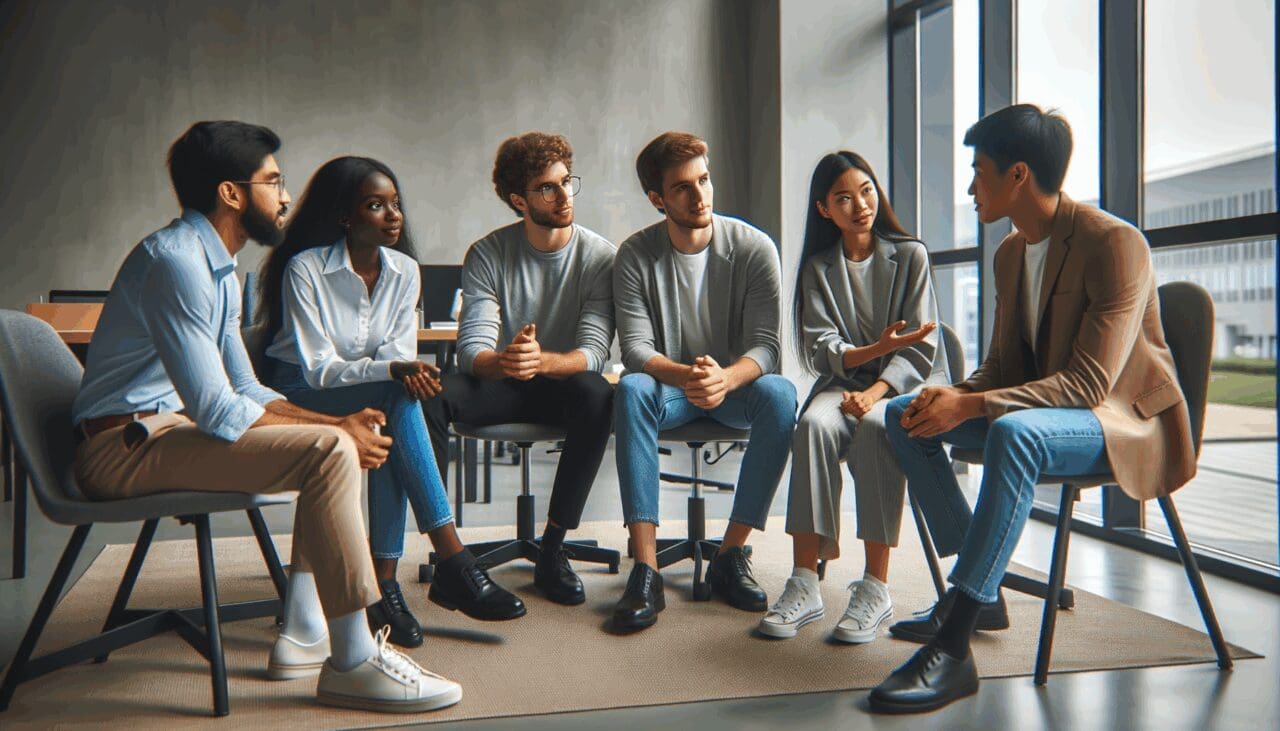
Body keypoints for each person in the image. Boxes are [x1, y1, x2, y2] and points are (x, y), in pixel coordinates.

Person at [71, 121, 461, 713]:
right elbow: (217, 407)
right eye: (273, 182)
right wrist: (333, 431)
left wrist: (339, 424)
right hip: (122, 449)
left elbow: (248, 387)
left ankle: (304, 631)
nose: (285, 196)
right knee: (328, 452)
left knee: (330, 445)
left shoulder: (220, 268)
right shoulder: (176, 261)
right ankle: (353, 659)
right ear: (232, 194)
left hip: (164, 430)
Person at [869, 104, 1196, 713]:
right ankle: (982, 590)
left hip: (1119, 420)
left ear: (1017, 175)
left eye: (978, 171)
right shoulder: (1010, 254)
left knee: (1013, 435)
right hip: (1045, 410)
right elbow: (1004, 366)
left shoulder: (1115, 244)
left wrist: (972, 407)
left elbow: (1090, 384)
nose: (970, 188)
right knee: (903, 414)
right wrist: (954, 395)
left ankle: (954, 642)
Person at [256, 156, 526, 648]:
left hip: (374, 388)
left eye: (395, 204)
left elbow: (396, 354)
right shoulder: (305, 269)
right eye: (376, 206)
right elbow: (319, 368)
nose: (394, 216)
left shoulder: (403, 270)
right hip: (297, 388)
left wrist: (404, 371)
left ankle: (385, 585)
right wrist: (396, 371)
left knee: (396, 403)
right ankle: (450, 559)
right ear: (345, 217)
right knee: (394, 392)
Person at [757, 151, 948, 643]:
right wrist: (876, 349)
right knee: (813, 425)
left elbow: (923, 347)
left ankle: (876, 586)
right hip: (841, 384)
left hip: (900, 386)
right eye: (843, 197)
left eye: (865, 190)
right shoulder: (817, 268)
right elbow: (822, 349)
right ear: (825, 210)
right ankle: (804, 582)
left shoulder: (910, 255)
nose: (860, 204)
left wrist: (880, 386)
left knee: (877, 428)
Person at [610, 131, 797, 632]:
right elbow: (635, 351)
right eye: (683, 188)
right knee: (629, 389)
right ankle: (645, 568)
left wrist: (725, 378)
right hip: (671, 390)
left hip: (734, 391)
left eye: (705, 180)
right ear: (657, 199)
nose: (700, 197)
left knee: (781, 394)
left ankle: (731, 554)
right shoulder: (634, 255)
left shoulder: (755, 248)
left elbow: (767, 347)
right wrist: (692, 376)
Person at [422, 132, 616, 606]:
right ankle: (451, 555)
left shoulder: (600, 257)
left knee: (599, 391)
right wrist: (505, 360)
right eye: (547, 187)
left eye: (567, 181)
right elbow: (472, 351)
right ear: (518, 200)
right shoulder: (488, 253)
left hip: (565, 386)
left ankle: (553, 547)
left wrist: (543, 359)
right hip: (504, 381)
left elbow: (593, 352)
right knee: (428, 393)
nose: (564, 194)